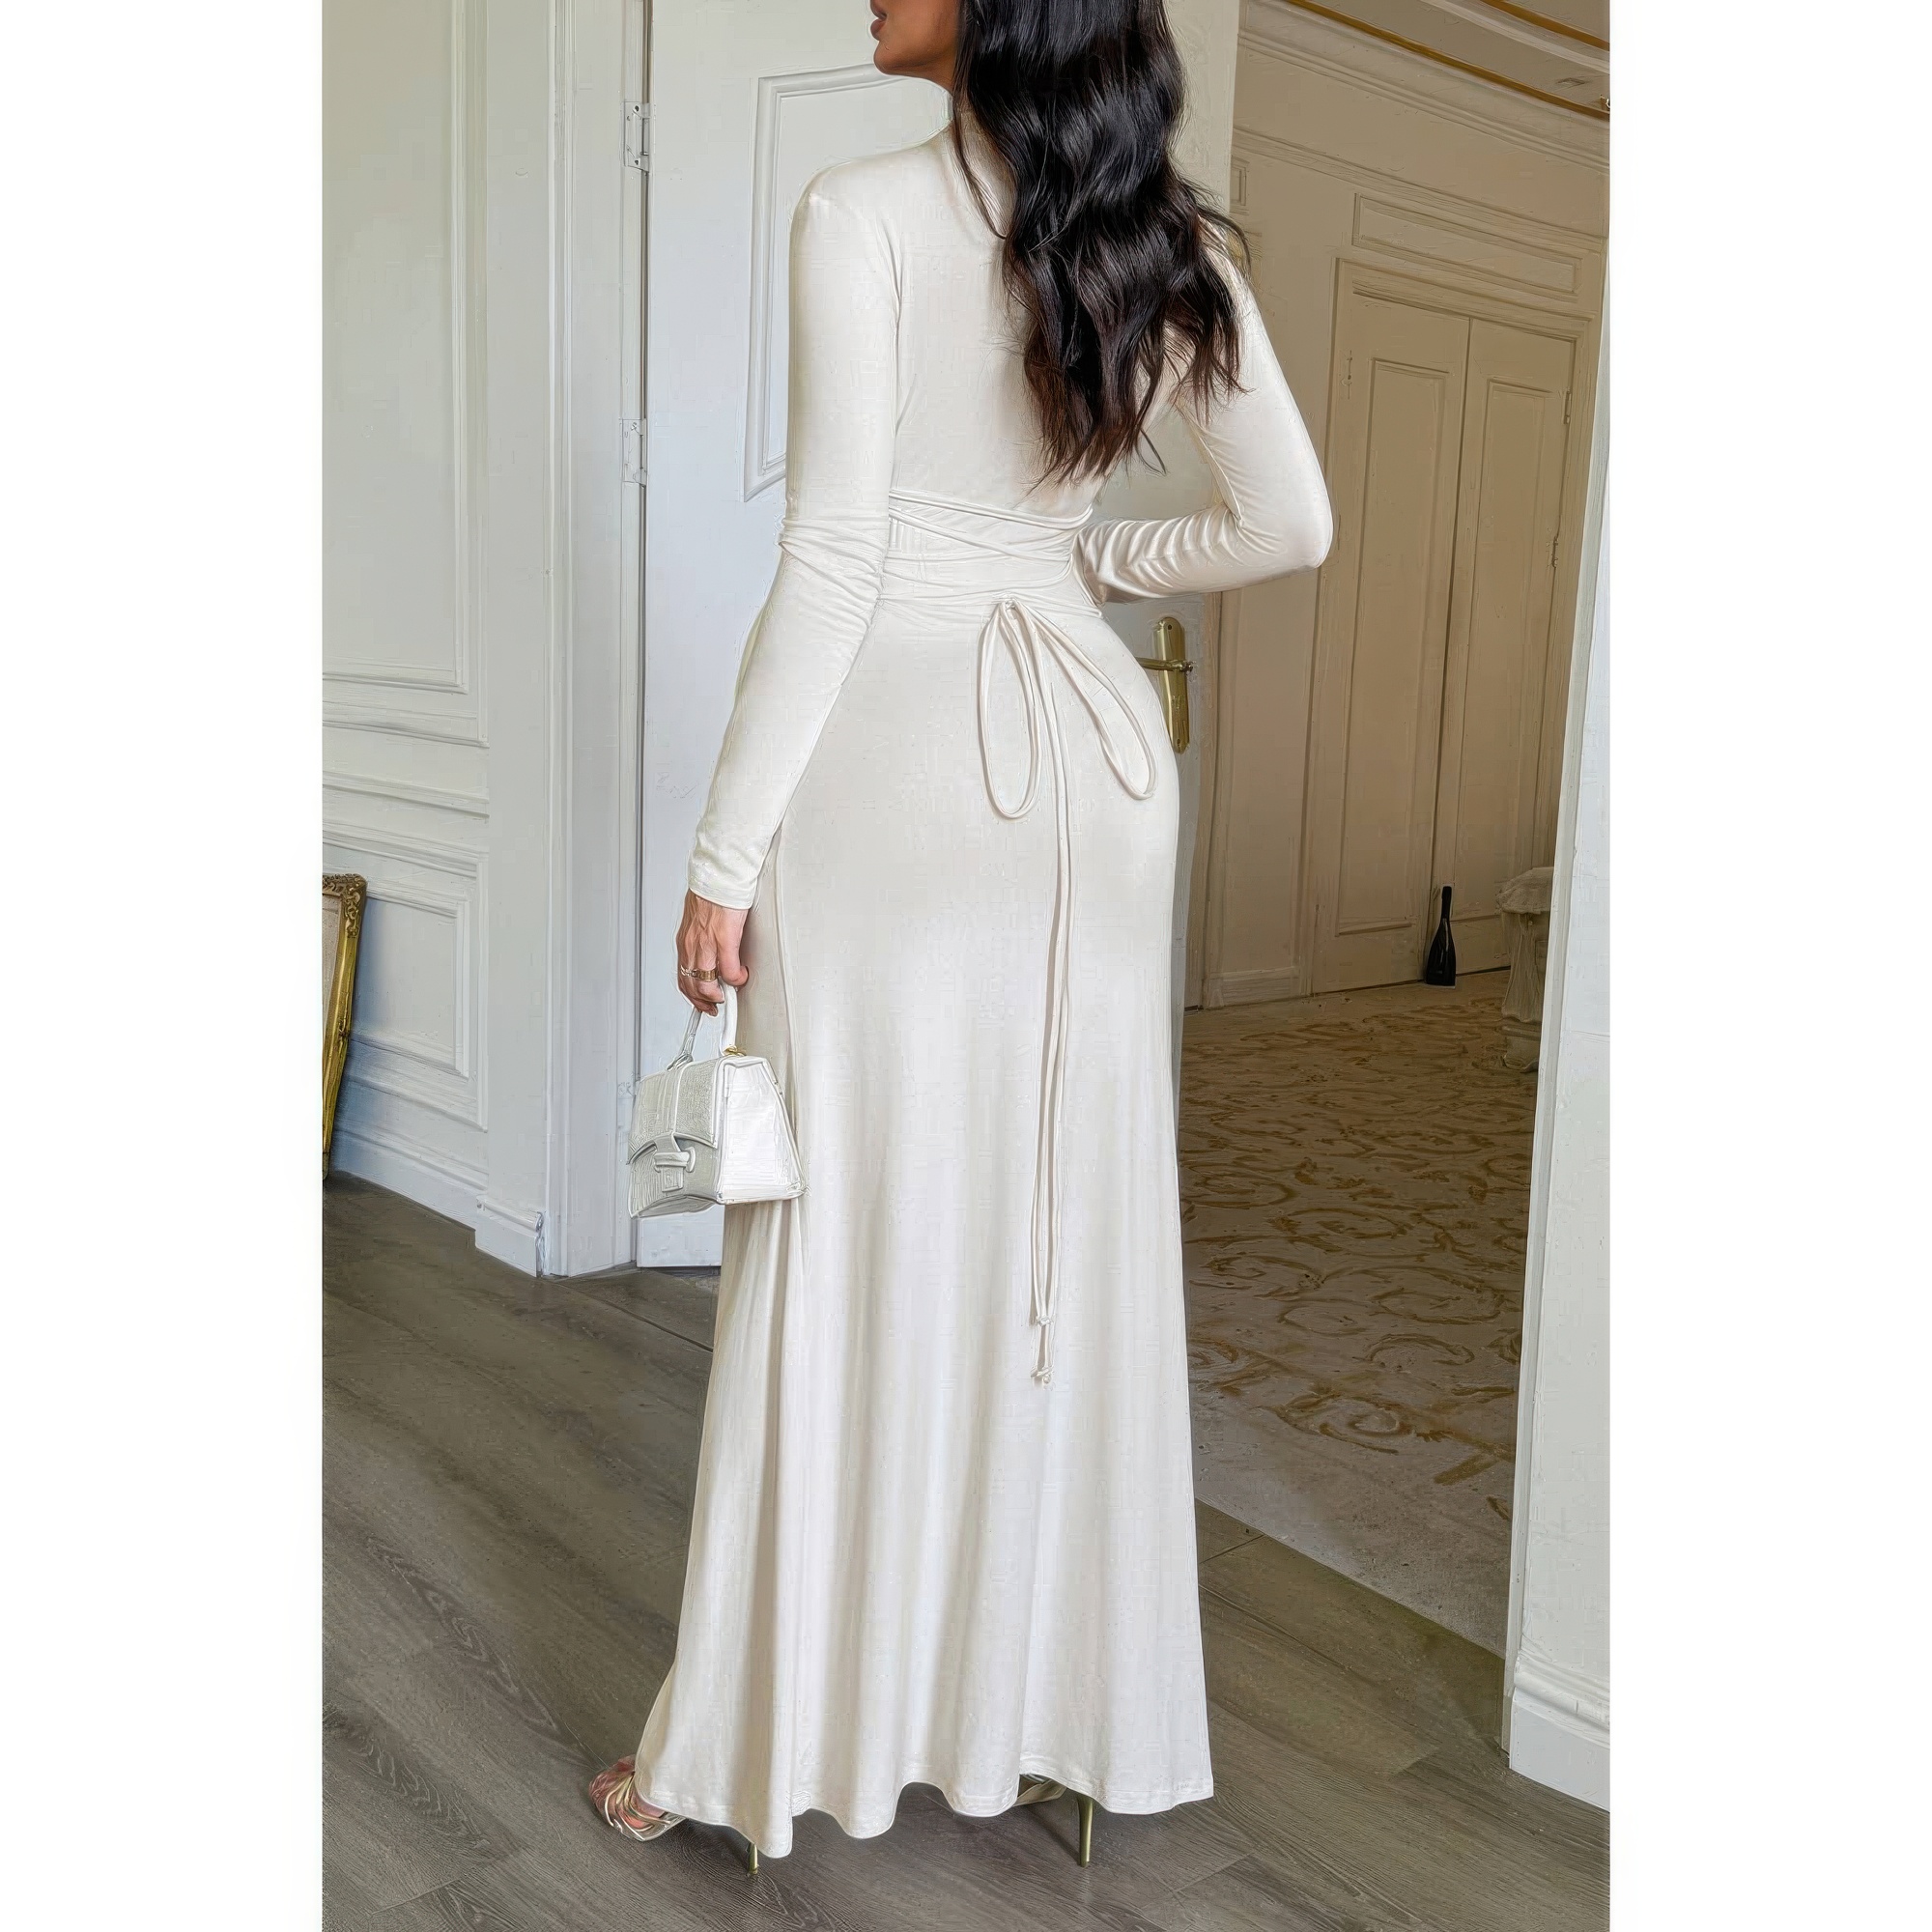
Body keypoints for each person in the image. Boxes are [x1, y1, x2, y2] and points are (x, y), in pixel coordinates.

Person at [589, 0, 1332, 1865]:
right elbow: (1294, 524)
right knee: (1058, 1240)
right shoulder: (1164, 239)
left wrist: (723, 850)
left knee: (842, 1239)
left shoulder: (860, 215)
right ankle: (1045, 1705)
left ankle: (745, 1744)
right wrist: (1086, 569)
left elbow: (836, 557)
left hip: (905, 776)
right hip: (1093, 759)